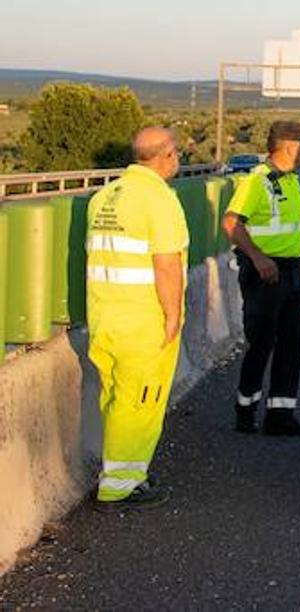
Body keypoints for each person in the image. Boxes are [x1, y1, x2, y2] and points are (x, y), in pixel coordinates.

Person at [85, 127, 188, 510]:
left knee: (115, 397)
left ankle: (118, 471)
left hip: (104, 313)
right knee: (141, 400)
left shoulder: (106, 195)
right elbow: (166, 265)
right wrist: (173, 315)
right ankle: (121, 484)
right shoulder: (159, 199)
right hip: (143, 318)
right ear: (166, 155)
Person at [223, 120, 300, 436]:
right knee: (261, 343)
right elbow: (232, 223)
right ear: (290, 146)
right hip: (265, 273)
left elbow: (285, 220)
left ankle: (281, 415)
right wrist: (259, 257)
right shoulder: (257, 181)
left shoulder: (290, 181)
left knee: (292, 343)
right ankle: (245, 411)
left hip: (292, 271)